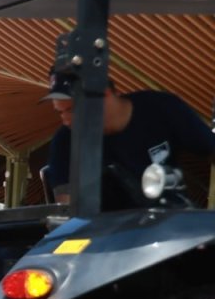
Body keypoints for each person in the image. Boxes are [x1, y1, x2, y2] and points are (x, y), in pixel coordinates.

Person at [42, 70, 215, 207]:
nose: (66, 120)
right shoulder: (65, 142)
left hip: (170, 226)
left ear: (104, 93)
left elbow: (209, 148)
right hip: (106, 239)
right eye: (60, 111)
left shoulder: (162, 108)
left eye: (72, 109)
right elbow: (66, 211)